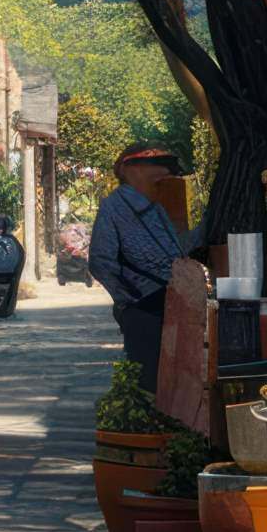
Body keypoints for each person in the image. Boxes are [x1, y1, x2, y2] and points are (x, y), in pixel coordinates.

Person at [90, 144, 189, 368]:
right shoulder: (114, 206)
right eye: (156, 166)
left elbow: (177, 248)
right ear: (130, 170)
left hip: (171, 303)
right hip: (143, 308)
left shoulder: (156, 207)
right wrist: (130, 300)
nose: (165, 174)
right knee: (149, 377)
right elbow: (100, 261)